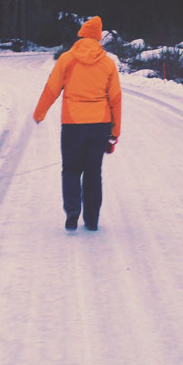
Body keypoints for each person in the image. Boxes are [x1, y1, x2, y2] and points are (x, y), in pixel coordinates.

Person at [33, 16, 122, 231]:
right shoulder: (108, 63)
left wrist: (40, 113)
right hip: (99, 125)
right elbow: (116, 99)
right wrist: (115, 130)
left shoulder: (67, 59)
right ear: (99, 38)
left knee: (71, 170)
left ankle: (72, 212)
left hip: (72, 123)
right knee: (93, 172)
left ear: (81, 34)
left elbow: (52, 89)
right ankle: (91, 220)